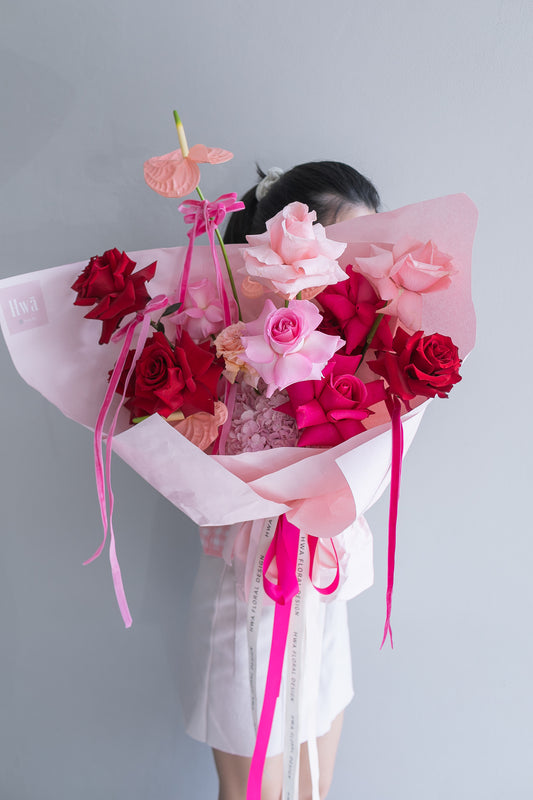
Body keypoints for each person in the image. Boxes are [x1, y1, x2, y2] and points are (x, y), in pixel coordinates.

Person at [182, 161, 381, 800]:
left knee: (315, 790)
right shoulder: (222, 346)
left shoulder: (361, 347)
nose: (353, 266)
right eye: (340, 246)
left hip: (318, 595)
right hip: (249, 595)